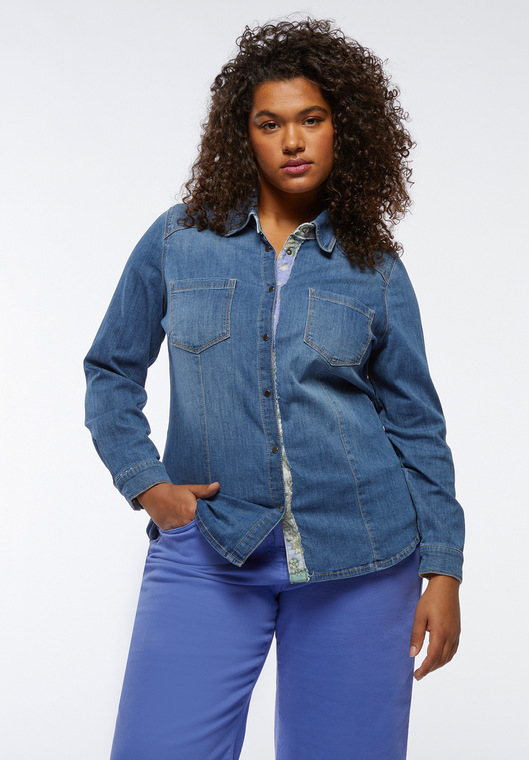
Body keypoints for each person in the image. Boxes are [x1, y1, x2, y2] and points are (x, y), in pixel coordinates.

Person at [84, 17, 465, 760]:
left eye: (311, 119)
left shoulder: (375, 267)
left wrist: (443, 568)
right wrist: (148, 485)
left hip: (361, 557)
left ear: (342, 129)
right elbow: (110, 369)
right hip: (210, 544)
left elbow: (417, 424)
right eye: (271, 123)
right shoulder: (178, 240)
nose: (293, 141)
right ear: (244, 135)